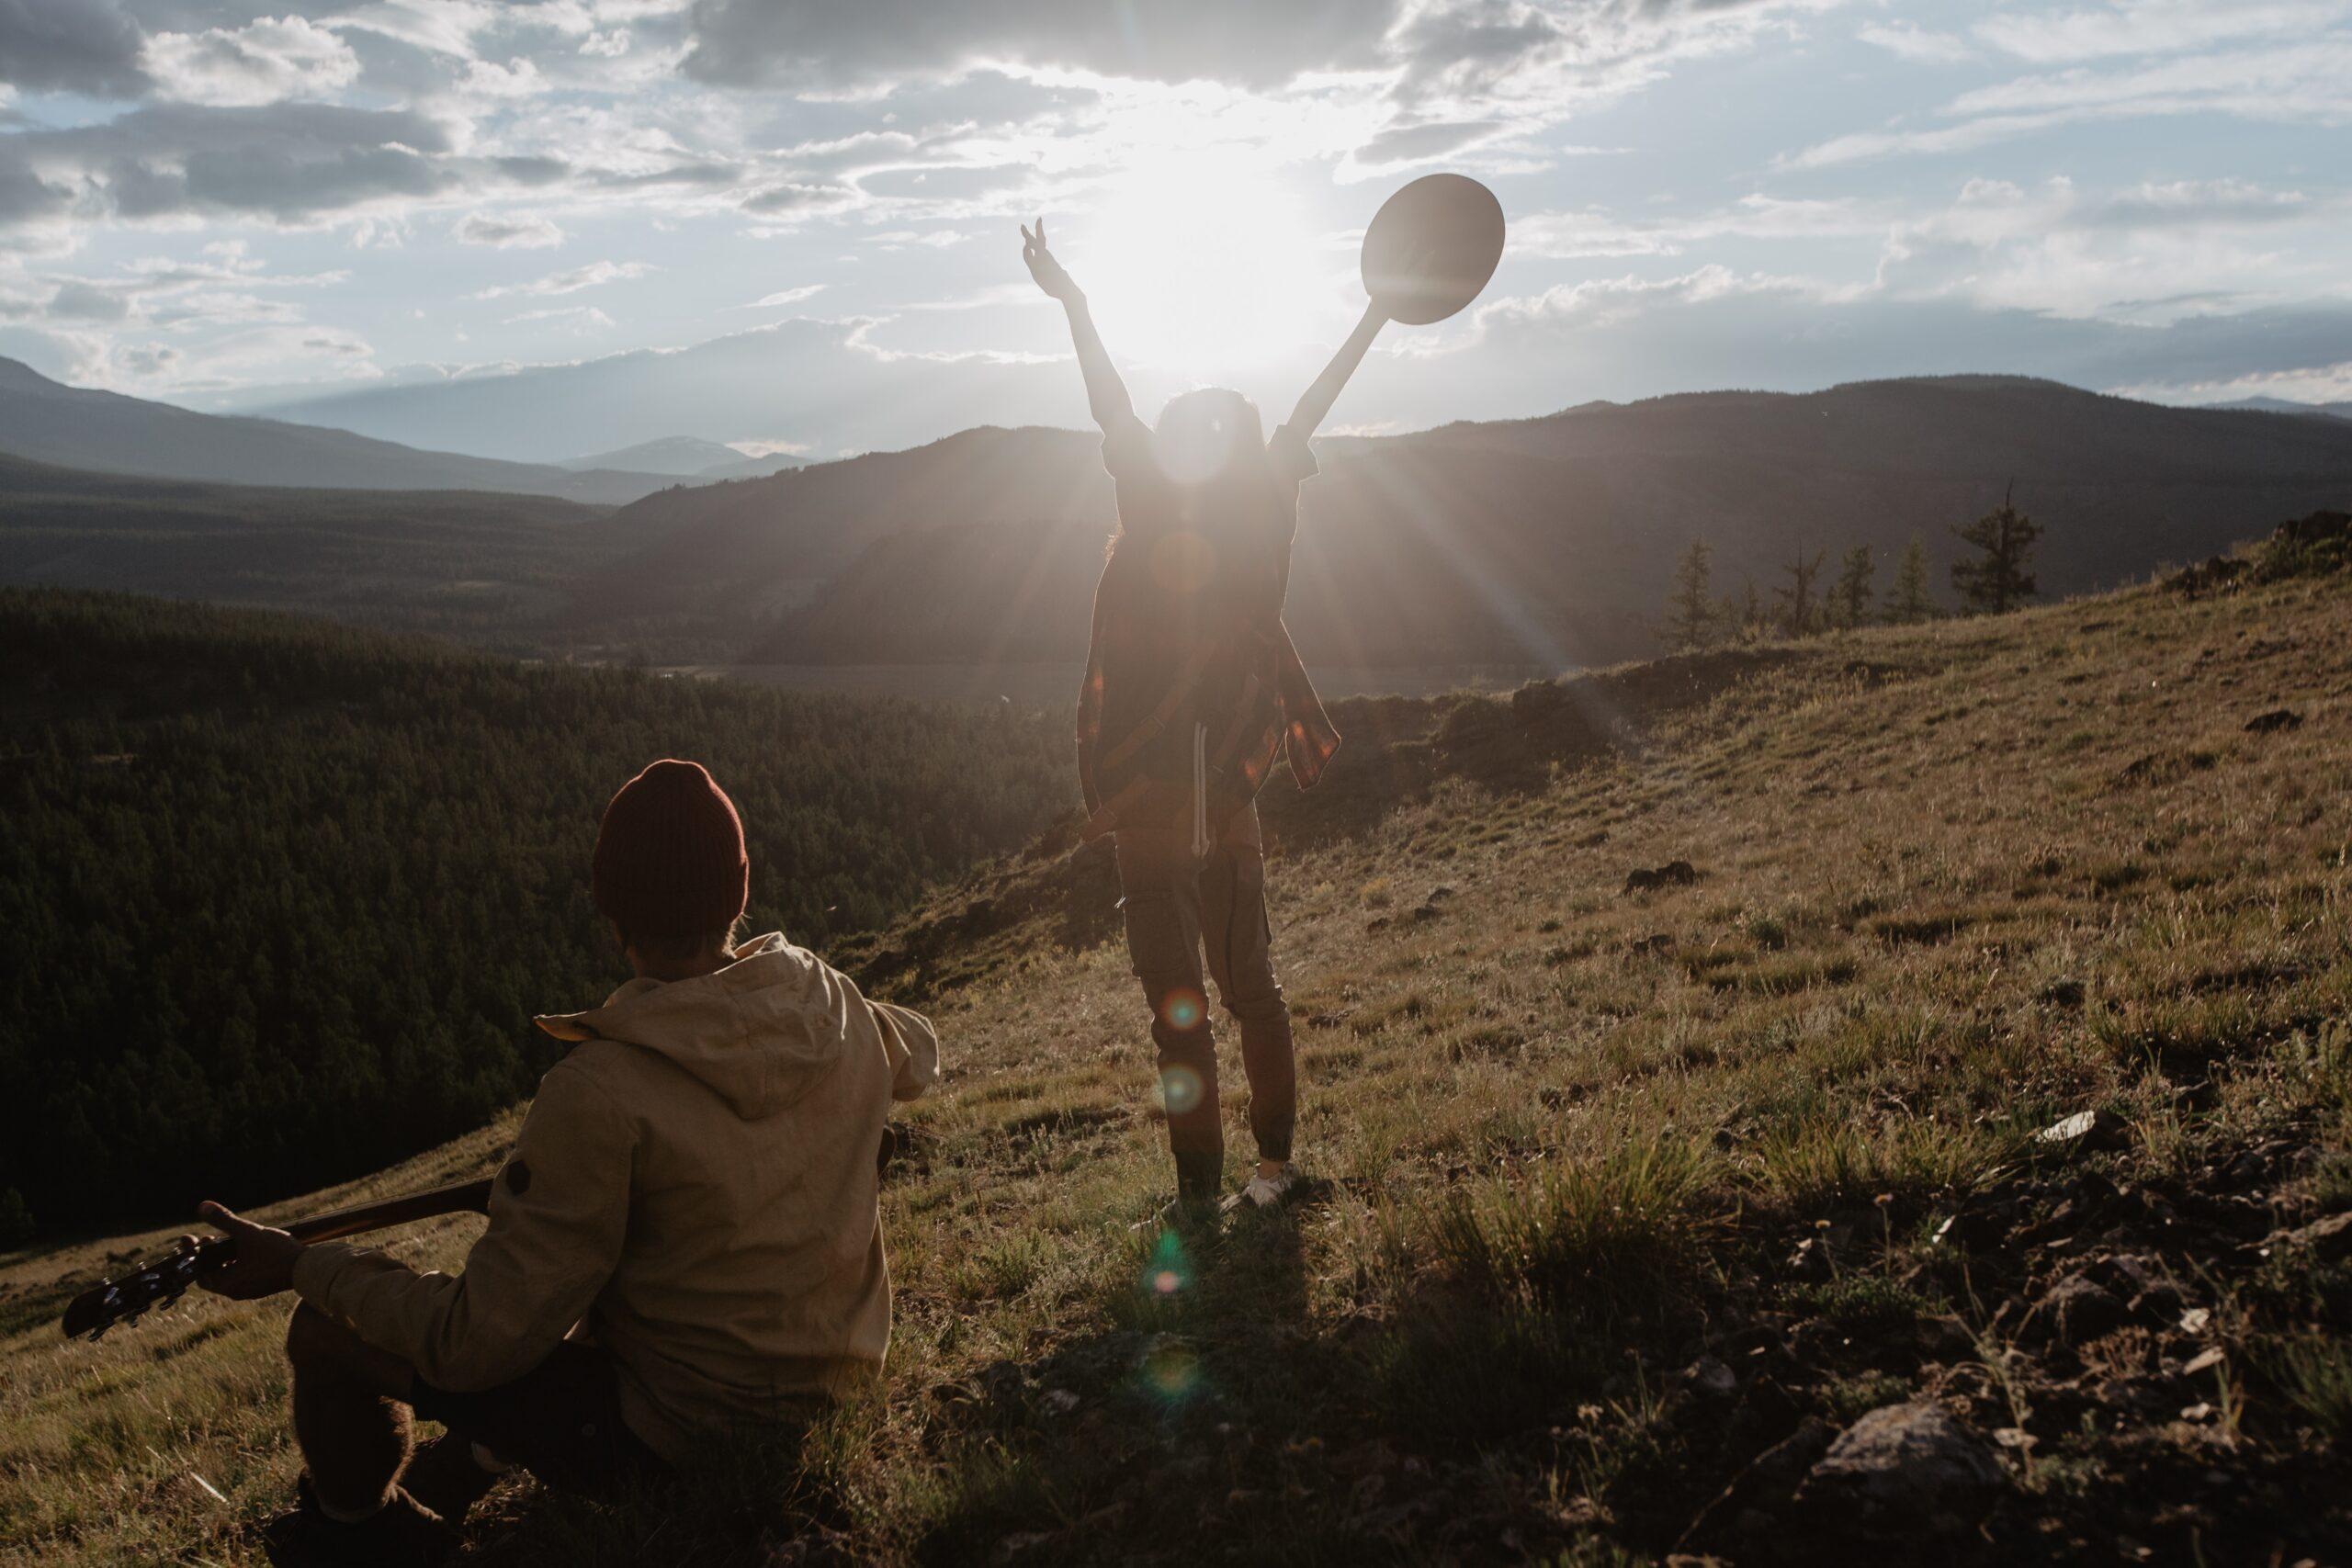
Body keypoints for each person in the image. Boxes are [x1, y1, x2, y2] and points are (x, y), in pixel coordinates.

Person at [197, 759, 940, 1566]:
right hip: (840, 1392)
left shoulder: (599, 1093)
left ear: (610, 911)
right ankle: (460, 1473)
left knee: (325, 1329)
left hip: (683, 1442)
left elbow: (475, 1341)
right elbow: (920, 1054)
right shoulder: (835, 1006)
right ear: (741, 886)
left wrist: (306, 1265)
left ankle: (359, 1532)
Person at [1020, 216, 1390, 1226]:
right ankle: (1270, 1172)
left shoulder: (1148, 501)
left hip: (1151, 801)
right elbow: (1313, 404)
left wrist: (1075, 302)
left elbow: (1109, 401)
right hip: (1228, 791)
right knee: (1250, 990)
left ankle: (1197, 1194)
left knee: (1177, 1007)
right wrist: (1376, 310)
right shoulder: (1265, 508)